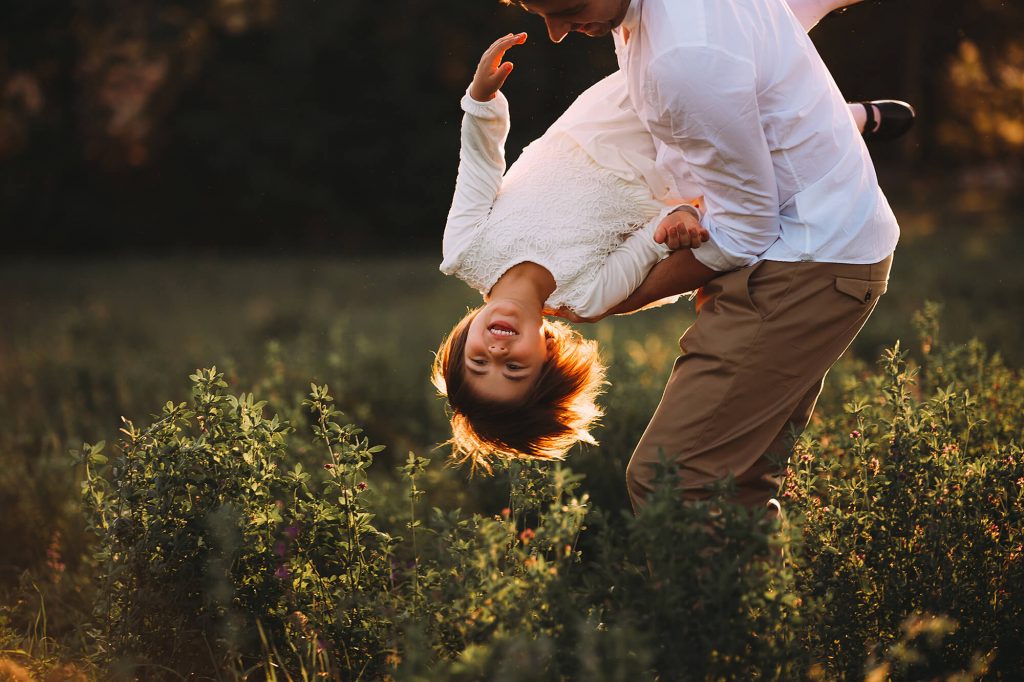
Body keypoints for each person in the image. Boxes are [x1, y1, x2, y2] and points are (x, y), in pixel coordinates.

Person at [436, 0, 905, 473]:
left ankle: (849, 117)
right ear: (547, 353)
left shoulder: (465, 252)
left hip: (603, 119)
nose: (496, 354)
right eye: (514, 368)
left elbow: (479, 164)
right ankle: (851, 119)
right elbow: (651, 243)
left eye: (478, 363)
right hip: (659, 168)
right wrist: (679, 214)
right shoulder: (586, 296)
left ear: (461, 342)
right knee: (727, 91)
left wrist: (481, 101)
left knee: (763, 28)